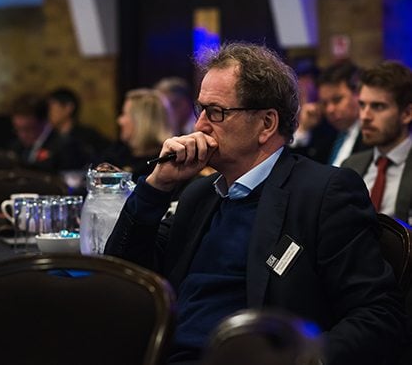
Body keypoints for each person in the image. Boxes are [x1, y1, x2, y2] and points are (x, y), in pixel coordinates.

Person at [104, 42, 406, 365]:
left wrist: (300, 359)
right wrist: (156, 187)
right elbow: (123, 278)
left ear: (266, 124)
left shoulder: (323, 193)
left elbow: (377, 316)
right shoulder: (199, 195)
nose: (199, 125)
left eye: (216, 112)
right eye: (200, 109)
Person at [341, 61, 412, 222]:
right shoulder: (350, 165)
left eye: (378, 106)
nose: (364, 116)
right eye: (362, 105)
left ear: (407, 114)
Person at [102, 88, 176, 181]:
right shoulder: (116, 153)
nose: (120, 121)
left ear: (142, 121)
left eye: (124, 114)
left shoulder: (167, 161)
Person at [310, 60, 368, 166]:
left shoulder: (371, 134)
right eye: (324, 103)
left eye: (337, 100)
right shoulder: (324, 133)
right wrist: (303, 130)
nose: (330, 109)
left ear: (358, 94)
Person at [47, 87, 110, 169]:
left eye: (52, 108)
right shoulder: (49, 137)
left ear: (68, 108)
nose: (49, 113)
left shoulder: (88, 136)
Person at [8, 92, 61, 172]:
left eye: (28, 129)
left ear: (44, 123)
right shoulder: (16, 147)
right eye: (17, 128)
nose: (22, 135)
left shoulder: (63, 148)